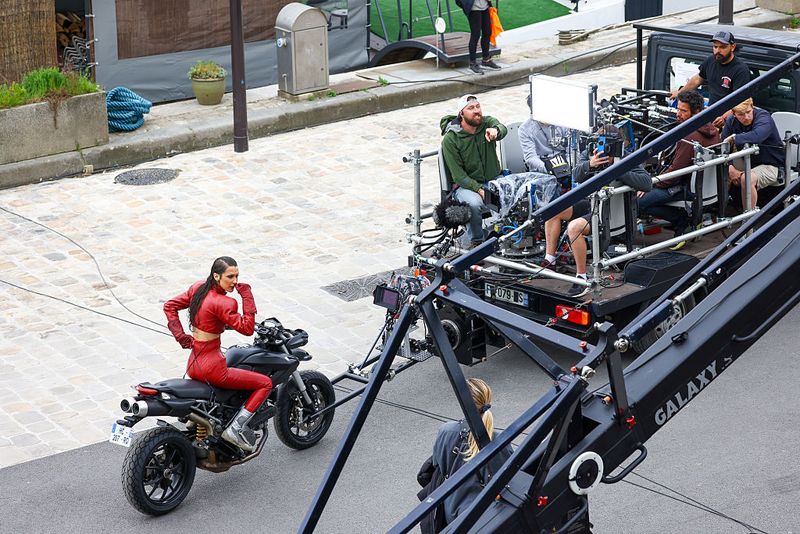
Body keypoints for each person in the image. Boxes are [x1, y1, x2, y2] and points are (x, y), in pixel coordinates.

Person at [163, 256, 272, 452]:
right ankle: (237, 428)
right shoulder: (225, 303)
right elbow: (247, 329)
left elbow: (169, 306)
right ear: (216, 275)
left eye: (237, 276)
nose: (235, 281)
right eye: (230, 276)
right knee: (265, 383)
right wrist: (247, 295)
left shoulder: (198, 289)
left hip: (193, 365)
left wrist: (181, 336)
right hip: (213, 367)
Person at [542, 132, 652, 297]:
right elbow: (576, 175)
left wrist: (617, 169)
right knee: (553, 210)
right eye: (599, 144)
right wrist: (590, 164)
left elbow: (647, 183)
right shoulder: (591, 151)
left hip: (608, 210)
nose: (601, 149)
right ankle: (549, 259)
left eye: (606, 146)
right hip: (589, 202)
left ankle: (582, 277)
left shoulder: (626, 157)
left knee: (574, 228)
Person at [637, 90, 720, 250]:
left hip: (685, 187)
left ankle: (681, 220)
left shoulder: (689, 137)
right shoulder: (712, 129)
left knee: (637, 201)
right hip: (704, 187)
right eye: (678, 109)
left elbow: (676, 173)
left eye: (683, 111)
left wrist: (651, 184)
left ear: (696, 111)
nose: (678, 114)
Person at [427, 378, 513, 528]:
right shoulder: (497, 440)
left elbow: (437, 463)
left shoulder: (446, 431)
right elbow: (509, 476)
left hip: (452, 508)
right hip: (484, 515)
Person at [440, 94, 508, 246]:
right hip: (466, 186)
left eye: (478, 106)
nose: (476, 111)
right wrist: (479, 189)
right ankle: (476, 241)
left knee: (516, 194)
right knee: (474, 204)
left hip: (493, 179)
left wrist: (497, 131)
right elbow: (458, 176)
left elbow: (502, 128)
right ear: (461, 114)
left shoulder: (487, 123)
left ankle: (507, 235)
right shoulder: (451, 139)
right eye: (471, 108)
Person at [670, 31, 751, 129]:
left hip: (730, 121)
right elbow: (697, 79)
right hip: (711, 113)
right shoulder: (711, 61)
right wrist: (680, 93)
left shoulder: (741, 70)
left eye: (722, 47)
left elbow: (741, 101)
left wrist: (724, 118)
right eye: (715, 47)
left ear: (732, 47)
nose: (717, 51)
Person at [722, 97, 784, 208]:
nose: (746, 117)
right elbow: (723, 147)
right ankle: (720, 211)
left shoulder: (764, 117)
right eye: (741, 114)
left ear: (752, 106)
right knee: (719, 167)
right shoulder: (731, 120)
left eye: (748, 112)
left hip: (772, 164)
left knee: (747, 178)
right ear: (733, 113)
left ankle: (748, 221)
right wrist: (730, 168)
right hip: (746, 160)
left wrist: (735, 138)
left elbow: (757, 136)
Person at [518, 94, 571, 174]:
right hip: (542, 168)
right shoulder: (524, 129)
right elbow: (531, 158)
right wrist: (550, 169)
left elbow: (573, 150)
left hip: (566, 163)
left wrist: (568, 165)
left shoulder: (564, 122)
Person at [457, 0, 501, 74]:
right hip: (474, 9)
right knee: (475, 35)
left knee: (487, 33)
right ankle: (472, 63)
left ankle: (486, 59)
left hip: (485, 7)